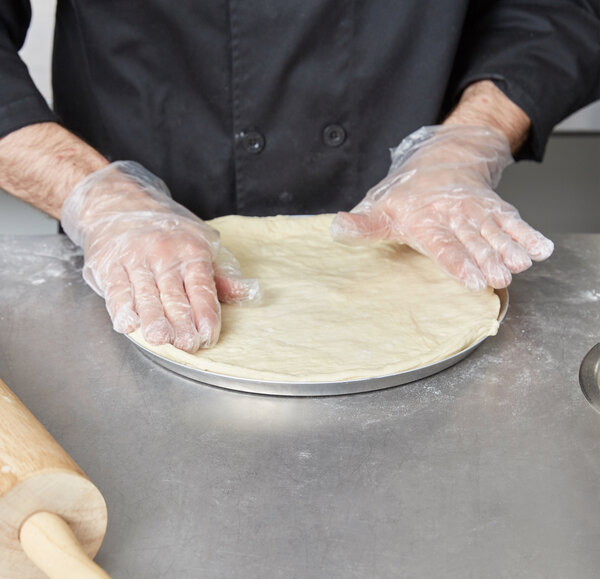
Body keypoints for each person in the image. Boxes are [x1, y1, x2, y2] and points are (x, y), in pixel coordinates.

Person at [0, 1, 598, 353]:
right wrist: (96, 198)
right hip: (134, 256)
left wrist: (467, 141)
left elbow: (557, 7)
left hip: (413, 239)